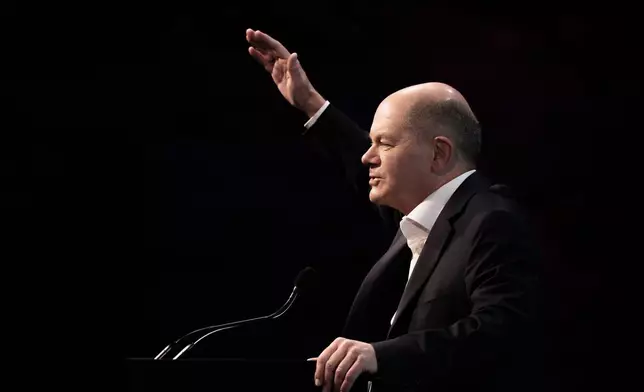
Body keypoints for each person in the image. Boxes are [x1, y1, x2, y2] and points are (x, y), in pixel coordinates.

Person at [245, 29, 544, 392]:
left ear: (438, 153)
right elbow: (361, 168)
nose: (368, 156)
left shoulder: (491, 222)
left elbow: (500, 332)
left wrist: (381, 356)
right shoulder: (430, 217)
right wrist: (311, 104)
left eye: (383, 143)